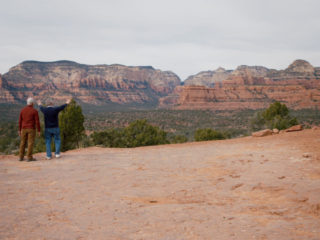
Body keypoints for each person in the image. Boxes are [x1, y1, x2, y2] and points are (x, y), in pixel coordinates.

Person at [18, 97, 41, 161]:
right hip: (31, 129)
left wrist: (19, 130)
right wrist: (39, 130)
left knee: (22, 142)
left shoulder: (22, 110)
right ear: (32, 103)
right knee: (30, 143)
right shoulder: (34, 111)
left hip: (23, 128)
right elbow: (37, 121)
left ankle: (21, 157)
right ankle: (29, 157)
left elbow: (20, 121)